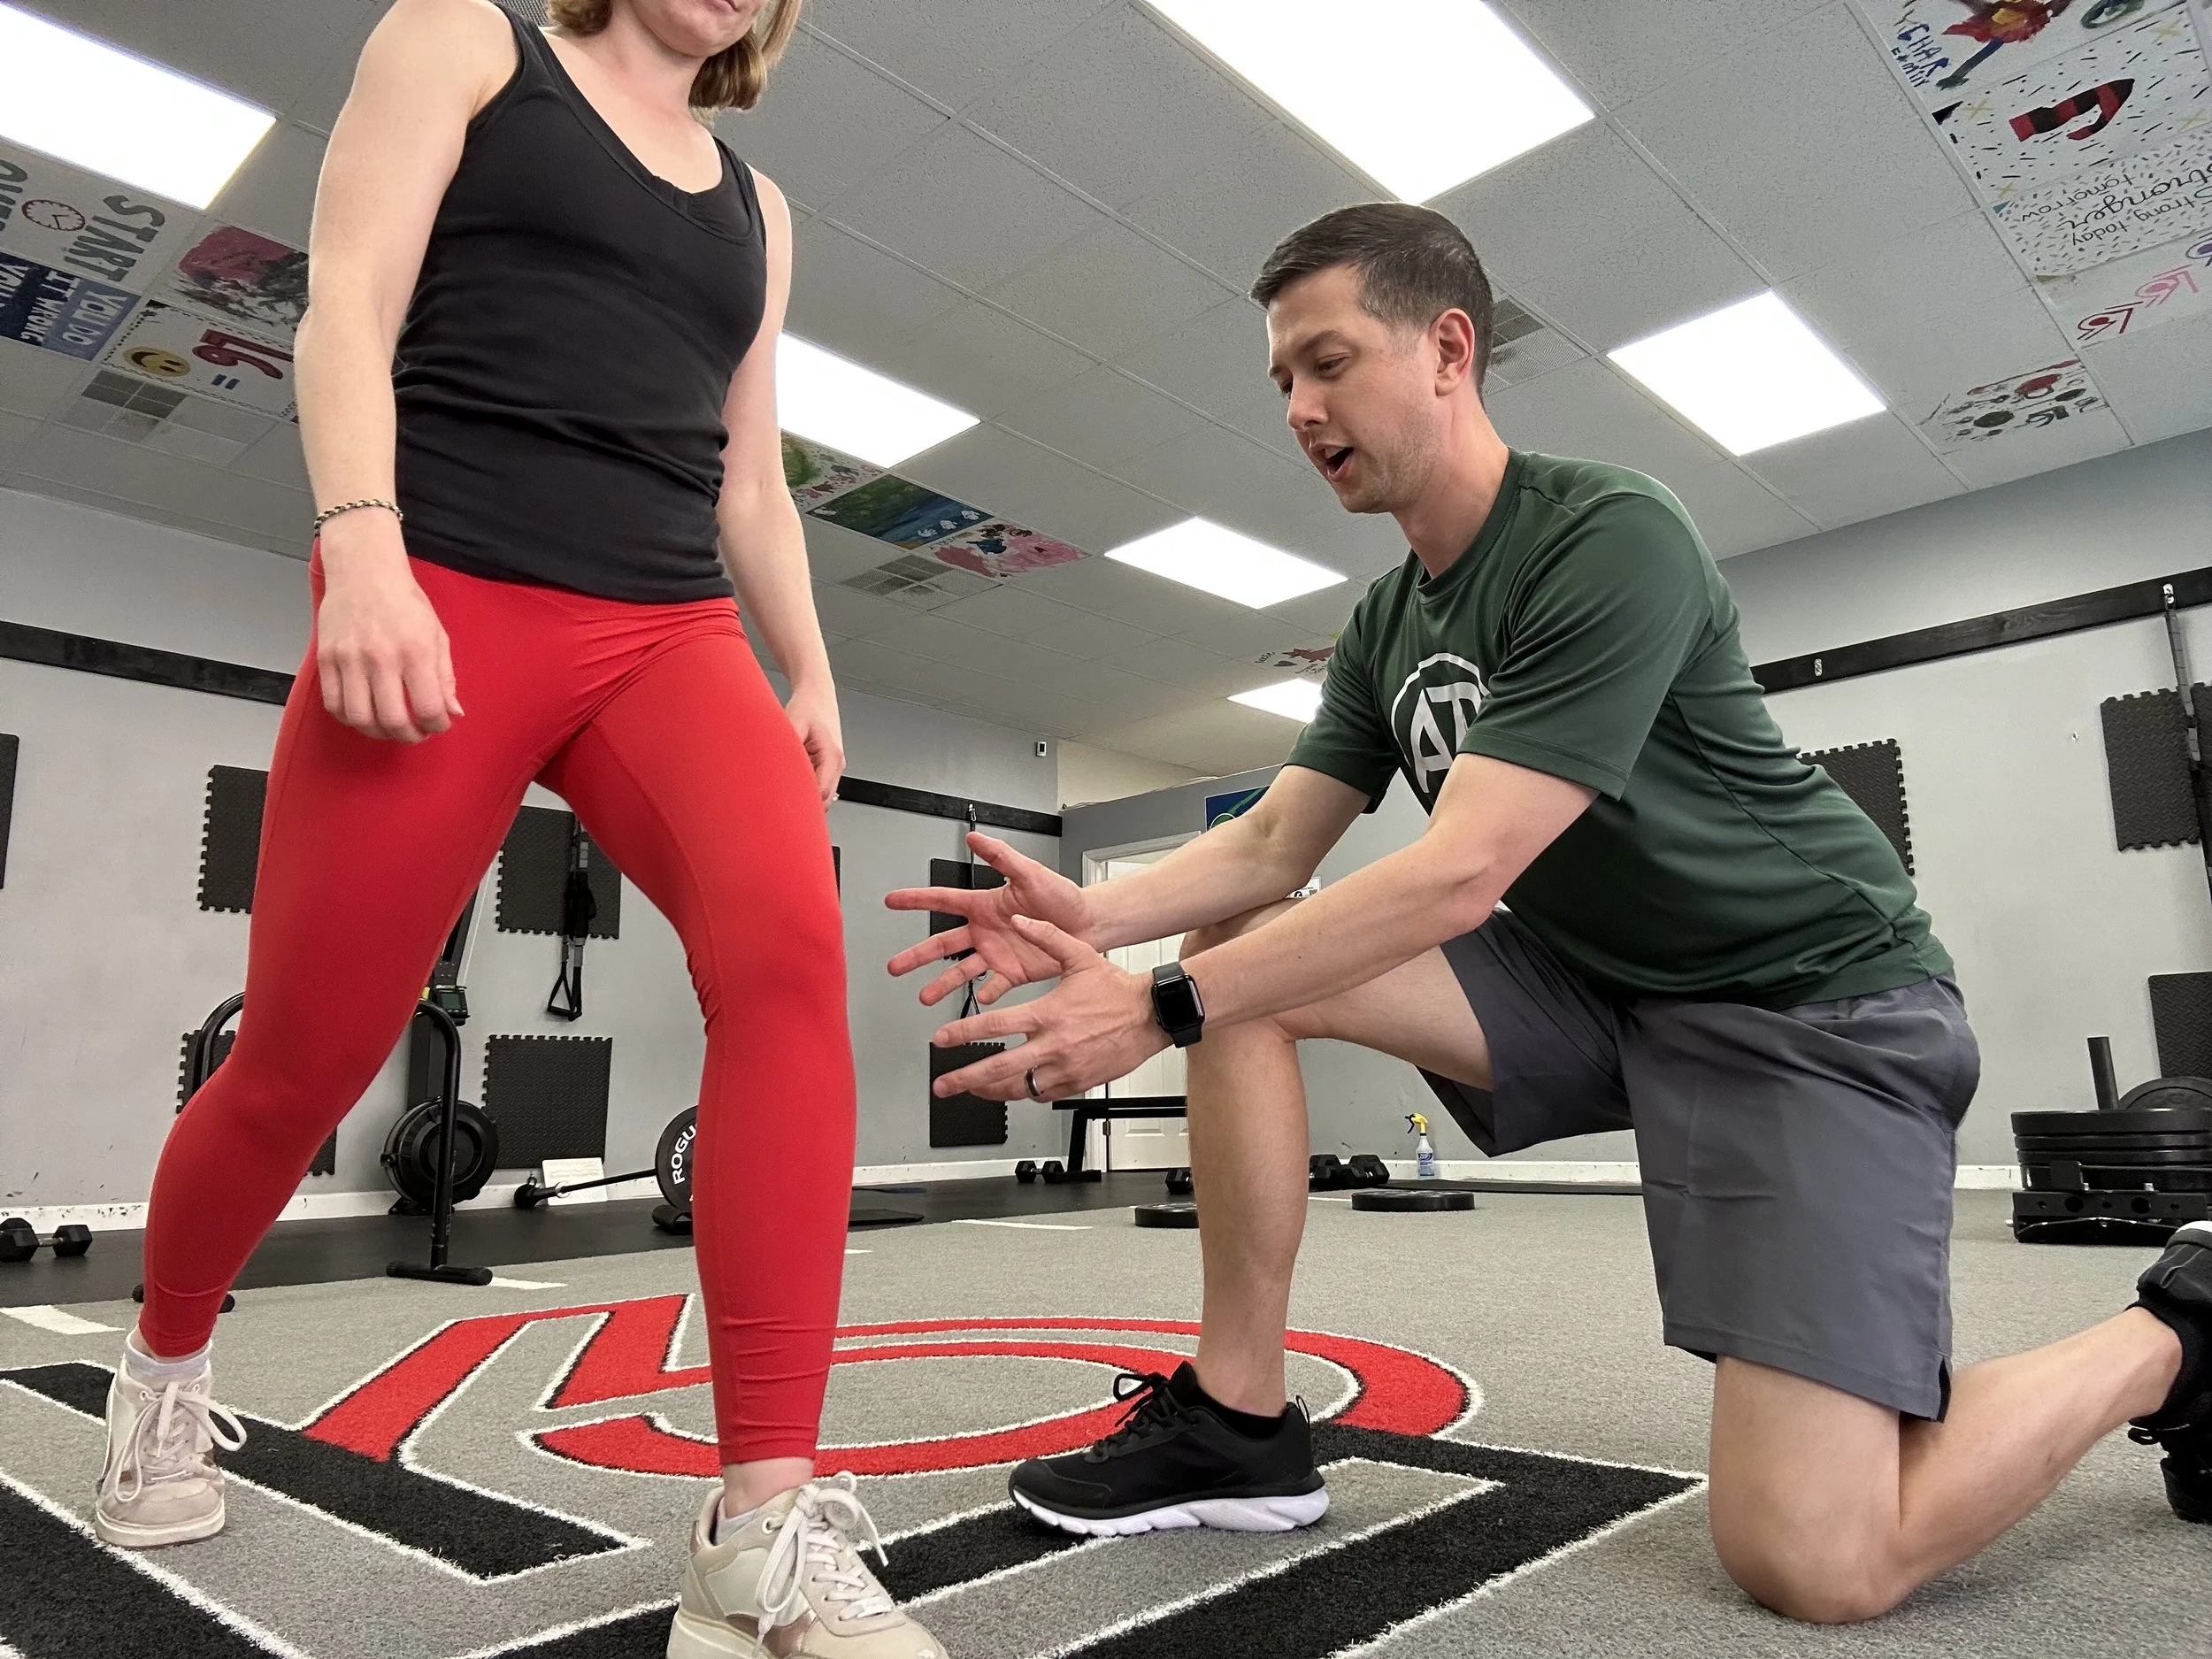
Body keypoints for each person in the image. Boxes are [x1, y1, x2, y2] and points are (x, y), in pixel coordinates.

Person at [889, 202, 2212, 1623]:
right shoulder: (1389, 620)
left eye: (1328, 362)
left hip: (1813, 1005)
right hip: (1600, 983)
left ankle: (2183, 1331)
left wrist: (1154, 1007)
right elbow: (1277, 840)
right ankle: (1238, 1412)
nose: (1299, 406)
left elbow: (1462, 872)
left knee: (1816, 1557)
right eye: (1281, 378)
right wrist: (1095, 910)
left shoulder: (1606, 532)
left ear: (1448, 347)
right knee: (1243, 961)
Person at [96, 2, 943, 1653]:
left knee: (787, 959)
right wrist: (364, 548)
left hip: (670, 628)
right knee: (300, 1057)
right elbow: (345, 308)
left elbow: (748, 479)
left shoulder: (761, 214)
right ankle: (165, 1363)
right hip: (453, 580)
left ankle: (761, 1521)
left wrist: (815, 667)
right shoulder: (467, 42)